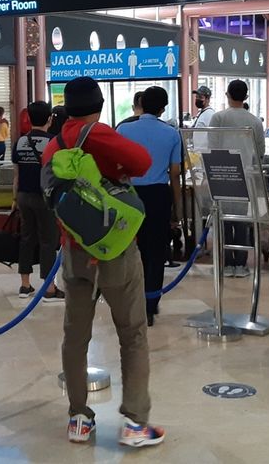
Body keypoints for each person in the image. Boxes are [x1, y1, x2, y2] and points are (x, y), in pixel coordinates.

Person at [42, 76, 163, 448]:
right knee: (133, 333)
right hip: (116, 251)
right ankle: (135, 424)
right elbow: (142, 162)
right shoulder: (99, 133)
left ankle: (79, 417)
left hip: (75, 251)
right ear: (99, 106)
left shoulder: (54, 145)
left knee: (75, 337)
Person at [117, 86, 182, 326]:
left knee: (128, 249)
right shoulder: (172, 134)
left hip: (129, 195)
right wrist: (177, 207)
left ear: (141, 103)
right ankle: (150, 304)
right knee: (155, 252)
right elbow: (174, 174)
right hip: (158, 196)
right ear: (163, 108)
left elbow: (116, 168)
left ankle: (129, 302)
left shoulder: (123, 130)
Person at [209, 79, 265, 278]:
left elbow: (212, 147)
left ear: (227, 95)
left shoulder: (218, 118)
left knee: (223, 220)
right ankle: (241, 265)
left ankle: (225, 264)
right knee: (241, 221)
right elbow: (260, 151)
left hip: (222, 176)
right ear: (246, 97)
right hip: (246, 176)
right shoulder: (255, 121)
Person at [11, 101, 64, 302]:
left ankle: (25, 285)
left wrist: (14, 199)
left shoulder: (20, 142)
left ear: (30, 119)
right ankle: (49, 288)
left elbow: (16, 174)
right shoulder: (54, 142)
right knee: (48, 241)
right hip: (45, 197)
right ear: (50, 119)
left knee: (26, 239)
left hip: (24, 196)